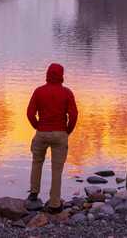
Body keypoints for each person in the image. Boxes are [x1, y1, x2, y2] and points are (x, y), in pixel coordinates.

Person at [25, 62, 78, 211]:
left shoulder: (39, 91)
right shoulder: (67, 92)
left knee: (37, 162)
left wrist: (38, 126)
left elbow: (30, 114)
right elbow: (73, 115)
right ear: (61, 76)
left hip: (42, 132)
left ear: (47, 74)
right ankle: (55, 203)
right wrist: (68, 130)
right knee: (57, 169)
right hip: (60, 133)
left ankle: (34, 193)